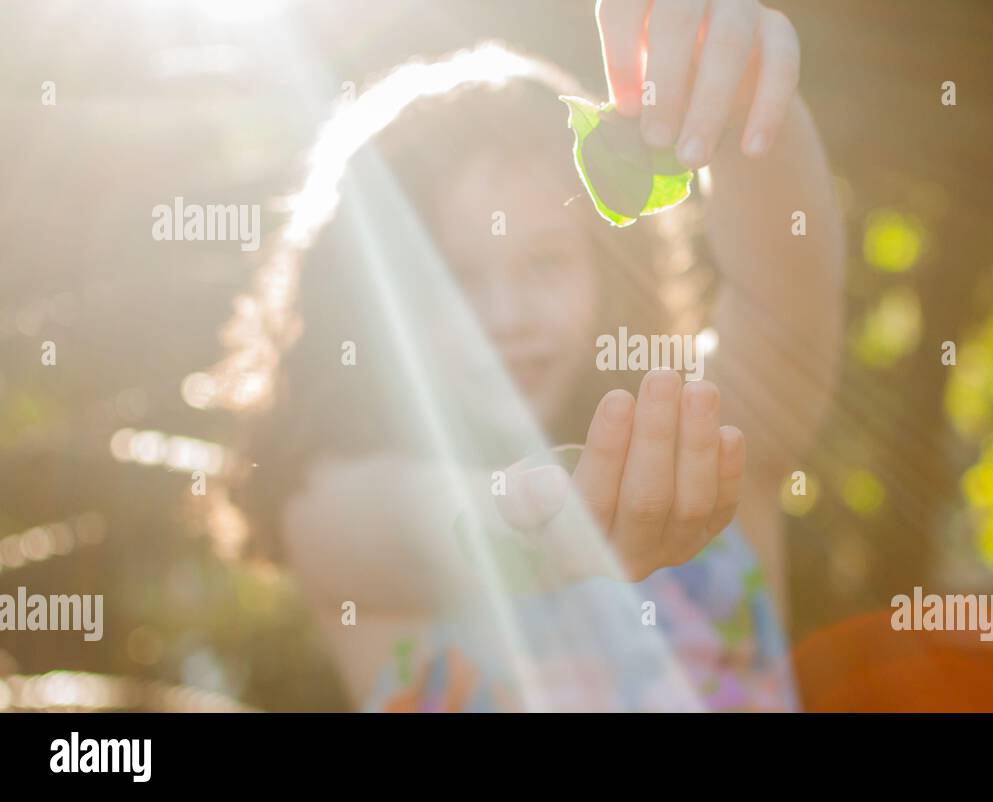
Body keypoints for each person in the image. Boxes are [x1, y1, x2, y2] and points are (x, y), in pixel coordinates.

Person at [212, 0, 843, 711]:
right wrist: (555, 531)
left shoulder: (707, 445)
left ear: (606, 267)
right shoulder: (332, 507)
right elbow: (442, 532)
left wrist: (745, 105)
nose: (507, 318)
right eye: (454, 278)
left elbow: (783, 303)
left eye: (545, 262)